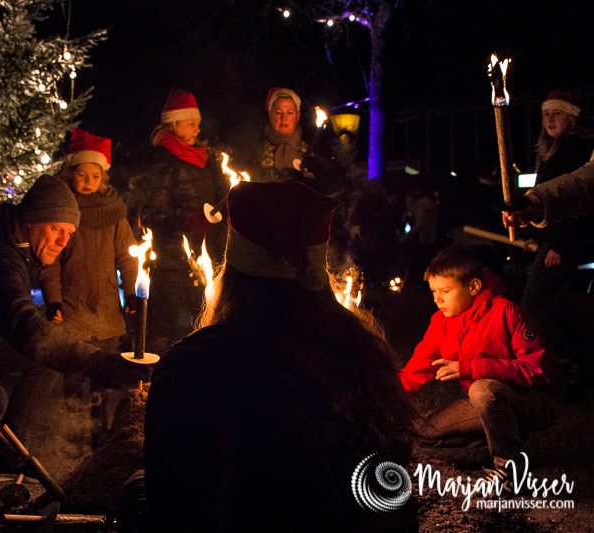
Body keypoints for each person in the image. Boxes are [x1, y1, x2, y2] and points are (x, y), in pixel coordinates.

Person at [134, 179, 418, 532]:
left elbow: (177, 512)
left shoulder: (194, 366)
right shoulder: (364, 352)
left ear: (233, 271)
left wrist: (135, 494)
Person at [0, 174, 147, 513]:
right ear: (33, 221)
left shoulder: (15, 240)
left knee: (43, 356)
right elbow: (20, 322)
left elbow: (25, 328)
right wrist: (95, 360)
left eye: (70, 233)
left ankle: (4, 458)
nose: (64, 241)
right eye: (56, 229)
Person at [399, 245, 563, 491]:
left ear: (473, 287)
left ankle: (510, 472)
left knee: (481, 389)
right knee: (424, 434)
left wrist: (471, 367)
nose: (437, 299)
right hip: (490, 403)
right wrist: (383, 397)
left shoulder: (506, 311)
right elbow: (416, 371)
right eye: (433, 291)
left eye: (445, 291)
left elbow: (535, 370)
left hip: (537, 401)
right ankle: (501, 441)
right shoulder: (441, 322)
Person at [40, 128, 138, 447]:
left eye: (95, 176)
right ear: (70, 172)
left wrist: (134, 290)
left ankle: (98, 434)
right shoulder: (63, 208)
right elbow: (51, 262)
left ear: (103, 177)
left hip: (107, 307)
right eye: (82, 174)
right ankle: (74, 436)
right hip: (73, 305)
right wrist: (53, 302)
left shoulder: (113, 211)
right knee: (75, 376)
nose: (88, 182)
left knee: (103, 375)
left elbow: (127, 253)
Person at [133, 89, 225, 355]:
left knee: (207, 326)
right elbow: (152, 213)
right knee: (161, 329)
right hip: (170, 261)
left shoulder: (203, 160)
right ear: (173, 124)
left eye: (197, 122)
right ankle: (146, 385)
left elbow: (210, 201)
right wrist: (188, 220)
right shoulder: (162, 160)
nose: (197, 128)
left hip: (202, 259)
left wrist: (216, 221)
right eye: (190, 123)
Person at [518, 89, 594, 397]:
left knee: (533, 301)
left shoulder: (578, 148)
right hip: (554, 242)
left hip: (568, 243)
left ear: (573, 117)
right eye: (546, 114)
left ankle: (566, 362)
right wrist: (535, 236)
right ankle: (574, 372)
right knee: (560, 303)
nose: (550, 120)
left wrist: (558, 244)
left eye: (557, 114)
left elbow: (582, 199)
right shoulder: (553, 149)